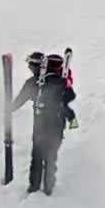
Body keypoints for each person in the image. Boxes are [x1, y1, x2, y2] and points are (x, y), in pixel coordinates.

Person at [12, 52, 76, 195]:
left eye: (30, 65)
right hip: (57, 124)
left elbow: (19, 101)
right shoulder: (61, 81)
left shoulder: (33, 83)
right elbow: (70, 96)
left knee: (37, 156)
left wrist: (7, 110)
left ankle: (34, 187)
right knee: (51, 157)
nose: (29, 67)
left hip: (40, 125)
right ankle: (49, 187)